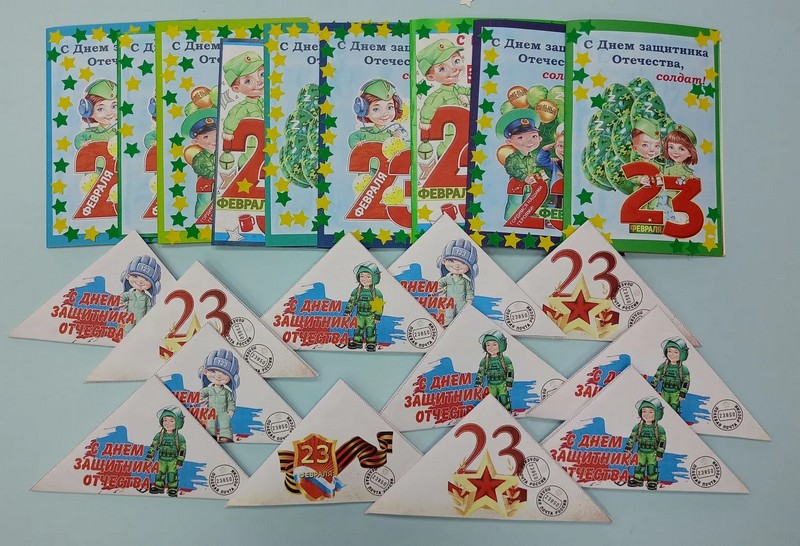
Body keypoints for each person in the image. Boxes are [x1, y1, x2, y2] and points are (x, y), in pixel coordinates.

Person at [416, 39, 470, 175]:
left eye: (456, 61)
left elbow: (473, 93)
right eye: (443, 69)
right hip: (450, 134)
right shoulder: (439, 95)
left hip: (465, 133)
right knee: (448, 150)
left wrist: (468, 99)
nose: (454, 69)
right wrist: (425, 121)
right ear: (431, 77)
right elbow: (430, 105)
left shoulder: (460, 89)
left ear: (462, 59)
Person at [495, 109, 548, 222]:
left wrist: (541, 173)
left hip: (531, 186)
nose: (529, 141)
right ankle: (509, 220)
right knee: (515, 203)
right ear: (509, 142)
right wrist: (524, 177)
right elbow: (510, 170)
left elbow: (536, 167)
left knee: (528, 203)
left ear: (540, 138)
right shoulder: (512, 158)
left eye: (534, 136)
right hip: (517, 186)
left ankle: (524, 219)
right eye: (520, 138)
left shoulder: (533, 157)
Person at [221, 51, 264, 169]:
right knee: (250, 162)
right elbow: (233, 116)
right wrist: (228, 132)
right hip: (251, 146)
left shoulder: (263, 103)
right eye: (248, 81)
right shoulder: (243, 107)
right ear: (236, 88)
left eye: (262, 74)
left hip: (265, 145)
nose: (259, 81)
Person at [348, 79, 408, 148]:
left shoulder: (392, 136)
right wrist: (357, 144)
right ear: (363, 110)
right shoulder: (364, 133)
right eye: (376, 109)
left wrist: (400, 140)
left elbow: (406, 149)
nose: (385, 113)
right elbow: (353, 137)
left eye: (390, 107)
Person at [624, 397, 666, 490]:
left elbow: (662, 441)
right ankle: (638, 479)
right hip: (641, 452)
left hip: (652, 453)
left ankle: (652, 481)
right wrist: (628, 448)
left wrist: (660, 452)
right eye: (644, 411)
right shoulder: (638, 427)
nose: (647, 415)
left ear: (657, 414)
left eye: (651, 412)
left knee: (652, 467)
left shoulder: (659, 429)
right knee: (639, 465)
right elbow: (632, 438)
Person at [199, 349, 240, 443]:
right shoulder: (208, 390)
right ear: (205, 372)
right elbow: (200, 395)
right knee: (210, 425)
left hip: (223, 412)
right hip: (210, 411)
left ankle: (226, 437)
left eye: (224, 373)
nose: (218, 376)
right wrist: (202, 405)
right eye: (213, 371)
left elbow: (231, 401)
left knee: (225, 425)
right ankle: (211, 436)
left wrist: (230, 411)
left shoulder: (227, 392)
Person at [145, 406, 187, 497]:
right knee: (159, 474)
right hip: (162, 460)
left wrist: (180, 461)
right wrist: (149, 457)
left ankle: (172, 488)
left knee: (172, 475)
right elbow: (153, 446)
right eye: (165, 420)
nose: (168, 423)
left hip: (173, 461)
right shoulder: (159, 436)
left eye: (171, 421)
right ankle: (159, 486)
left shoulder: (179, 437)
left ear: (178, 422)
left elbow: (182, 450)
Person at [436, 238, 478, 326]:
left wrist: (469, 300)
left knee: (461, 317)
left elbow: (469, 291)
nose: (456, 266)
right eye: (451, 261)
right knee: (448, 316)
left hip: (461, 303)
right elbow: (438, 284)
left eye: (463, 263)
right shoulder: (446, 279)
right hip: (449, 302)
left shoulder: (466, 281)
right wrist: (441, 292)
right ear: (443, 261)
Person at [344, 262, 384, 352]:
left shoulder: (376, 293)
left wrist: (377, 315)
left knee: (370, 329)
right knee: (358, 328)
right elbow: (352, 302)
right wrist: (348, 311)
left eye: (368, 277)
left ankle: (371, 343)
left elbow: (378, 305)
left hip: (370, 316)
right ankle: (357, 342)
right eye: (362, 276)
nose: (364, 279)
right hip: (360, 315)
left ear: (374, 278)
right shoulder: (357, 291)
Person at [119, 255, 162, 333]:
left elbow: (149, 309)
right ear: (127, 276)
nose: (140, 281)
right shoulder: (129, 294)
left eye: (146, 279)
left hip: (141, 319)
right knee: (127, 331)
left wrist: (147, 319)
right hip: (129, 317)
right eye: (135, 276)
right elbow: (120, 299)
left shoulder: (147, 298)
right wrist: (122, 309)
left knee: (139, 331)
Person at [474, 330, 514, 412]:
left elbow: (510, 372)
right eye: (488, 345)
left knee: (504, 400)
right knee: (492, 400)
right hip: (491, 385)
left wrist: (509, 382)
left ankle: (508, 413)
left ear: (501, 345)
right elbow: (481, 373)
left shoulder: (505, 360)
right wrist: (479, 383)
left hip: (502, 384)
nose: (491, 348)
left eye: (494, 344)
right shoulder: (485, 361)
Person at [650, 338, 691, 414]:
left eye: (676, 352)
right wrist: (653, 385)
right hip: (664, 392)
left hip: (675, 394)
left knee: (674, 408)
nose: (672, 354)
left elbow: (686, 382)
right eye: (669, 351)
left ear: (682, 354)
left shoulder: (683, 369)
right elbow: (657, 376)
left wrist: (683, 392)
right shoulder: (663, 366)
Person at [74, 79, 118, 149]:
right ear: (88, 111)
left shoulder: (117, 134)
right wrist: (83, 145)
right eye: (100, 109)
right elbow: (79, 138)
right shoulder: (90, 134)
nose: (109, 113)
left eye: (114, 106)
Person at [536, 124, 564, 209]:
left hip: (571, 192)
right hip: (556, 193)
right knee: (556, 207)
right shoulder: (556, 163)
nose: (563, 150)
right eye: (560, 146)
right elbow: (541, 159)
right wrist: (545, 148)